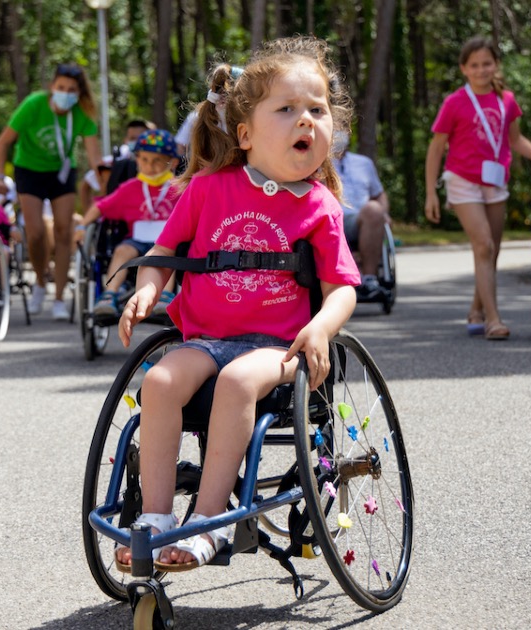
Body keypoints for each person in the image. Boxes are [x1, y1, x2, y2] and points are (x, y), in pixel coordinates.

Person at [114, 37, 360, 572]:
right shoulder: (207, 189)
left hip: (277, 346)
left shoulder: (320, 207)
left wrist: (320, 328)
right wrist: (148, 288)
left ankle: (210, 524)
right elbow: (163, 252)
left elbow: (343, 287)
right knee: (157, 382)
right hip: (205, 339)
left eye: (317, 111)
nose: (306, 122)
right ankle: (155, 520)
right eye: (288, 109)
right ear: (244, 134)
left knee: (237, 382)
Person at [424, 36, 531, 340]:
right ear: (464, 69)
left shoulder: (507, 100)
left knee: (490, 251)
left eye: (487, 63)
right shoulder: (454, 102)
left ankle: (476, 309)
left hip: (495, 182)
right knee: (484, 245)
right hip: (462, 181)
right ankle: (493, 320)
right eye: (474, 65)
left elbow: (515, 140)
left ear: (496, 64)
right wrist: (431, 192)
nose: (481, 70)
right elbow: (436, 149)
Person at [0, 63, 102, 320]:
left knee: (64, 231)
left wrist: (104, 181)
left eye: (71, 89)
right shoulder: (34, 104)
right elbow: (3, 142)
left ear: (78, 92)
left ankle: (60, 298)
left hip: (61, 173)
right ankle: (40, 283)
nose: (65, 93)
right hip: (28, 170)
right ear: (52, 87)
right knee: (36, 232)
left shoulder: (82, 112)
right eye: (61, 87)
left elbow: (94, 156)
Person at [76, 129, 181, 319]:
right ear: (137, 160)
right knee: (122, 251)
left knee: (171, 255)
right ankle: (110, 294)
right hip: (137, 239)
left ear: (172, 162)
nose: (150, 166)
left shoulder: (180, 188)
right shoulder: (130, 188)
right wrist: (82, 226)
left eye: (158, 160)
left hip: (167, 241)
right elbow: (101, 207)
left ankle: (165, 296)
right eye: (145, 160)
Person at [331, 129, 390, 298]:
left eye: (342, 129)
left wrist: (383, 213)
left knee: (374, 210)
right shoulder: (315, 162)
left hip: (359, 219)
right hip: (331, 219)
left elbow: (379, 194)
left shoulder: (364, 163)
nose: (339, 134)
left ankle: (369, 279)